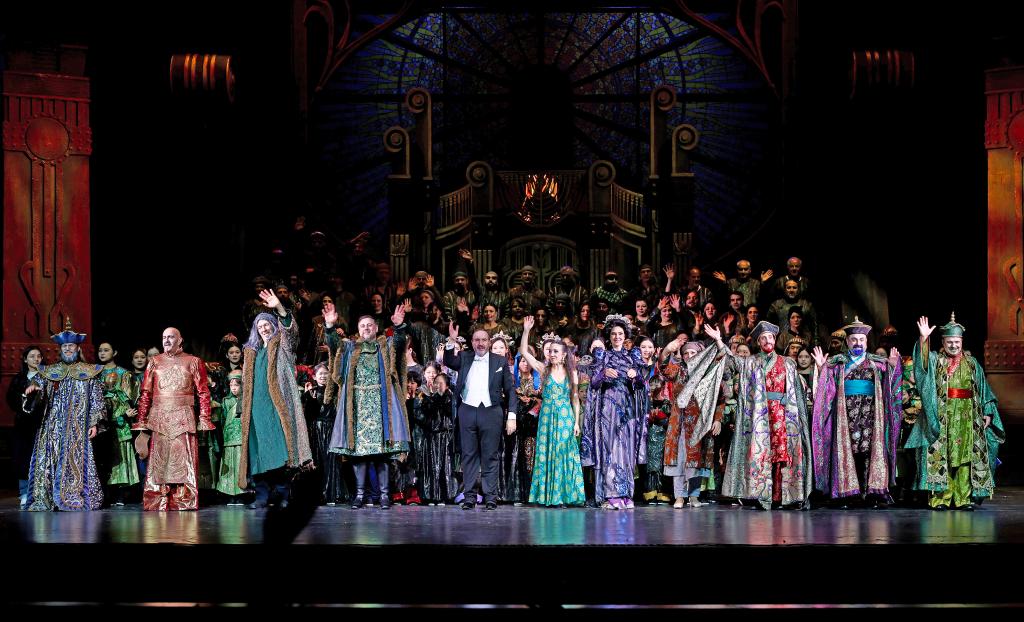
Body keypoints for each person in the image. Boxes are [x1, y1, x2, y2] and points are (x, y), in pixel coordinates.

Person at [705, 321, 812, 509]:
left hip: (782, 414)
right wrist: (719, 340)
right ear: (758, 342)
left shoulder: (787, 363)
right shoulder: (751, 362)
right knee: (761, 454)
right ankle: (763, 495)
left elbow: (796, 392)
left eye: (770, 337)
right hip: (759, 416)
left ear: (775, 339)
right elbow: (731, 360)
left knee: (781, 454)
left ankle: (781, 497)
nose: (767, 340)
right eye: (763, 338)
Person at [905, 314, 1006, 510]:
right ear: (943, 342)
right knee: (942, 456)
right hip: (942, 416)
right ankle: (940, 498)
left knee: (965, 457)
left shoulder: (972, 363)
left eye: (957, 342)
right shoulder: (935, 360)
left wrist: (987, 411)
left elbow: (984, 390)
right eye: (950, 342)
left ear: (962, 342)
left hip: (968, 416)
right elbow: (921, 366)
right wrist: (924, 339)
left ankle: (963, 499)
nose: (954, 345)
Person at [325, 301, 411, 510]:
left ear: (376, 328)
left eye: (370, 325)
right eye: (362, 326)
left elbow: (399, 343)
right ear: (358, 329)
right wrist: (329, 327)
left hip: (381, 407)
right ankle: (359, 495)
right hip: (358, 408)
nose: (366, 328)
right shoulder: (350, 347)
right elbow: (334, 345)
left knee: (382, 455)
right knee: (359, 456)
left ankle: (384, 496)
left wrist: (399, 326)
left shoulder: (385, 345)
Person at [811, 317, 903, 506]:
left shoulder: (878, 363)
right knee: (848, 451)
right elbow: (827, 390)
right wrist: (821, 369)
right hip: (846, 415)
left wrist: (893, 367)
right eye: (854, 340)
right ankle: (848, 493)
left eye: (861, 340)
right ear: (847, 341)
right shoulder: (837, 364)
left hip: (871, 414)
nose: (858, 343)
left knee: (869, 452)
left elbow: (891, 387)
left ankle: (871, 493)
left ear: (867, 342)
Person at [237, 289, 314, 509]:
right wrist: (243, 408)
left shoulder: (282, 346)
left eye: (267, 324)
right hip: (255, 409)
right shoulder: (251, 352)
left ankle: (282, 494)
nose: (263, 328)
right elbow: (245, 384)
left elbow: (291, 330)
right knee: (257, 452)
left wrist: (279, 307)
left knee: (281, 451)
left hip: (276, 407)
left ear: (273, 325)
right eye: (259, 326)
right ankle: (261, 496)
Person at [24, 320, 106, 511]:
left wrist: (94, 422)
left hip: (78, 426)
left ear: (78, 348)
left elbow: (97, 399)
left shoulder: (89, 372)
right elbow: (38, 391)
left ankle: (74, 496)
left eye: (71, 346)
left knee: (77, 459)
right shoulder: (49, 372)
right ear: (60, 349)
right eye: (65, 346)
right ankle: (49, 498)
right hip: (52, 426)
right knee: (49, 460)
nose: (68, 349)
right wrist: (33, 391)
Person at [132, 327, 215, 510]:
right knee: (160, 461)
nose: (167, 340)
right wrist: (142, 420)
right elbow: (146, 393)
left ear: (180, 340)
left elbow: (203, 392)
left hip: (183, 417)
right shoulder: (154, 361)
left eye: (171, 337)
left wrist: (204, 417)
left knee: (183, 461)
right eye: (164, 337)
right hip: (159, 417)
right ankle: (159, 498)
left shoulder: (193, 361)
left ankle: (183, 499)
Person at [443, 322, 519, 510]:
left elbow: (510, 390)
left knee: (490, 455)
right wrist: (451, 340)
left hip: (491, 411)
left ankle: (490, 497)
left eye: (484, 340)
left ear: (489, 342)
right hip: (467, 410)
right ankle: (469, 497)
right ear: (472, 342)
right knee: (468, 455)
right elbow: (449, 361)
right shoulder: (465, 357)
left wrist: (512, 416)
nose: (480, 343)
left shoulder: (500, 361)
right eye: (477, 340)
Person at [580, 315, 648, 509]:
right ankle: (610, 494)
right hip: (608, 409)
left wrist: (636, 377)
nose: (617, 337)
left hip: (627, 409)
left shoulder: (632, 356)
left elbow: (642, 385)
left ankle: (625, 492)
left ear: (625, 336)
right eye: (613, 334)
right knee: (609, 449)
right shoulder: (603, 356)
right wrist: (602, 374)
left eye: (620, 334)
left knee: (625, 451)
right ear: (609, 337)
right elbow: (593, 383)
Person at [519, 316, 585, 507]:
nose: (552, 354)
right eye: (550, 351)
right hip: (547, 417)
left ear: (564, 355)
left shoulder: (572, 373)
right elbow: (524, 352)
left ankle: (565, 496)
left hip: (565, 416)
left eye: (556, 351)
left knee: (564, 454)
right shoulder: (543, 369)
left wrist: (576, 422)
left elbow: (575, 398)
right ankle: (549, 496)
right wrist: (526, 331)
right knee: (547, 453)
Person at [6, 345, 46, 509]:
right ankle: (24, 493)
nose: (36, 359)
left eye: (39, 356)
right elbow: (10, 399)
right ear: (25, 359)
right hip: (23, 425)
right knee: (23, 458)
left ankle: (42, 493)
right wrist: (24, 395)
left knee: (41, 459)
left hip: (42, 424)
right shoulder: (19, 378)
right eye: (32, 356)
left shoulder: (46, 377)